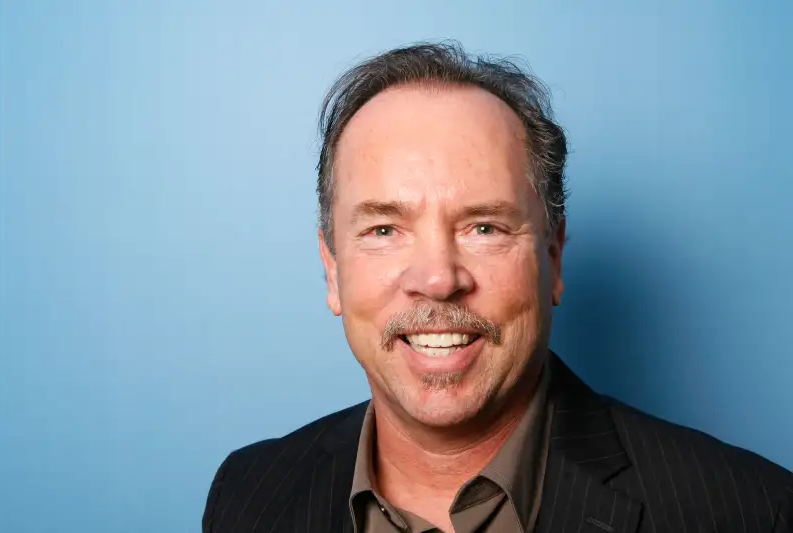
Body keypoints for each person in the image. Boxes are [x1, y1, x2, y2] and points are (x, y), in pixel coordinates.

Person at [202, 42, 792, 533]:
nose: (438, 278)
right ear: (332, 269)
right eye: (384, 229)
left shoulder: (748, 510)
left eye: (484, 226)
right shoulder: (250, 494)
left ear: (553, 255)